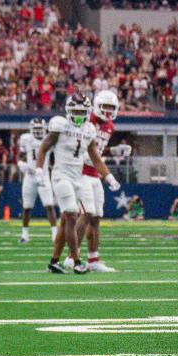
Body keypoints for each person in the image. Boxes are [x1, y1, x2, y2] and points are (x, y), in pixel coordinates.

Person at [36, 94, 120, 274]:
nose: (79, 116)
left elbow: (95, 155)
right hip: (62, 176)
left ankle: (54, 261)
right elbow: (44, 147)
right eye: (76, 112)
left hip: (78, 178)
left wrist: (109, 177)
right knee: (73, 215)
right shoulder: (61, 125)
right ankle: (75, 261)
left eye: (83, 112)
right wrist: (38, 170)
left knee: (77, 216)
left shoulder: (89, 129)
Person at [74, 89, 120, 272]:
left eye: (111, 108)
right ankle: (72, 256)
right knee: (85, 214)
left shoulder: (110, 127)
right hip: (81, 172)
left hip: (95, 174)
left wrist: (114, 151)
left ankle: (93, 260)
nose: (108, 112)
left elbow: (97, 151)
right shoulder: (86, 121)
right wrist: (108, 175)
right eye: (105, 107)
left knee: (96, 218)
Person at [17, 118, 58, 243]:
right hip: (30, 176)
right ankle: (25, 235)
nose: (38, 132)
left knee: (49, 205)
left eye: (40, 129)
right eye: (36, 129)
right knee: (27, 207)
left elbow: (53, 158)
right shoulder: (26, 139)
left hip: (44, 175)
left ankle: (55, 234)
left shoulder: (49, 139)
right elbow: (21, 155)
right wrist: (20, 163)